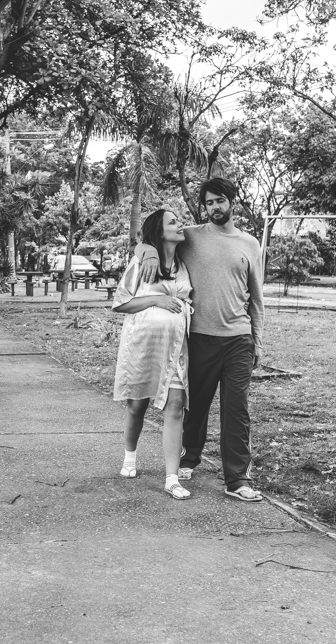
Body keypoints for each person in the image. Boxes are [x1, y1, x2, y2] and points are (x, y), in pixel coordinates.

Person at [136, 178, 265, 502]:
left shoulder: (250, 243)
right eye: (208, 203)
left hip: (238, 338)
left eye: (219, 201)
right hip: (199, 337)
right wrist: (148, 252)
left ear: (232, 202)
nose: (214, 208)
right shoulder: (191, 236)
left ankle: (237, 479)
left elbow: (257, 299)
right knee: (196, 407)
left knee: (237, 411)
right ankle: (190, 456)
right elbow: (149, 237)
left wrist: (258, 342)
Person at [112, 209, 193, 500]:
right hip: (142, 347)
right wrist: (158, 298)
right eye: (173, 222)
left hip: (175, 349)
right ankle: (130, 457)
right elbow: (120, 303)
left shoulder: (184, 263)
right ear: (159, 232)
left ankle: (171, 478)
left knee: (176, 406)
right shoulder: (141, 263)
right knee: (137, 407)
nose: (180, 224)